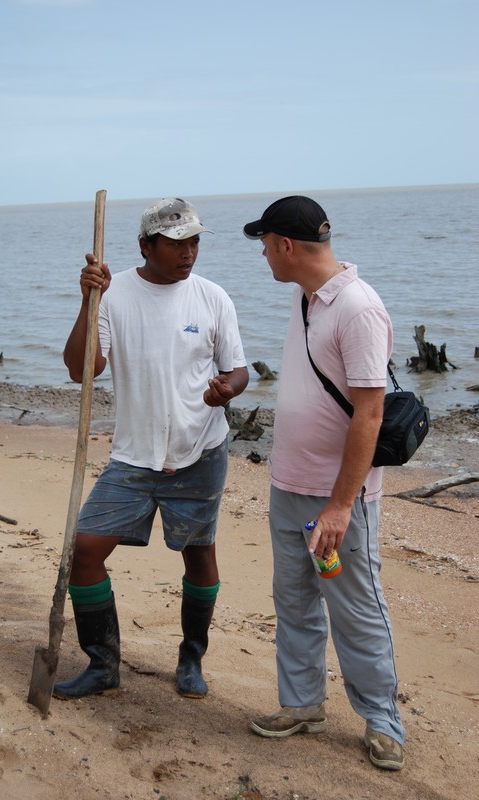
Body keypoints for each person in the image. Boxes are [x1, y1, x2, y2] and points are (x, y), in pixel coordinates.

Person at [55, 197, 249, 702]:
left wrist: (226, 389)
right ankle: (102, 664)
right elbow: (82, 370)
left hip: (200, 450)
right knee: (84, 552)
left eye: (195, 241)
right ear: (146, 245)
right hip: (134, 456)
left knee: (199, 555)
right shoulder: (113, 293)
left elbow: (238, 368)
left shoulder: (213, 298)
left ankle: (191, 658)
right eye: (176, 243)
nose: (189, 252)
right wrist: (87, 300)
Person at [242, 196, 405, 771]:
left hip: (335, 501)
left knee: (355, 607)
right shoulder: (308, 295)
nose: (262, 253)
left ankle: (383, 721)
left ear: (286, 245)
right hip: (288, 488)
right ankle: (302, 704)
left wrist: (340, 507)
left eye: (264, 243)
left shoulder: (358, 308)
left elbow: (370, 414)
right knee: (294, 602)